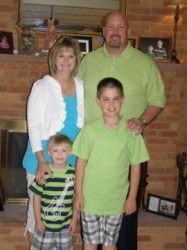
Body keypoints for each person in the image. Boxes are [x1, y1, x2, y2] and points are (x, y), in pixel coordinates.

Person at [78, 11, 165, 250]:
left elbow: (157, 100)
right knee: (91, 208)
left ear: (128, 31)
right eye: (110, 27)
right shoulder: (88, 60)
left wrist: (143, 121)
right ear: (103, 32)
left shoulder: (145, 63)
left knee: (125, 213)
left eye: (120, 27)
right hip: (92, 146)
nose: (115, 31)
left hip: (125, 145)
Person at [73, 77, 150, 250]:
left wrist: (131, 198)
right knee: (90, 244)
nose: (111, 104)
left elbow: (136, 166)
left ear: (122, 100)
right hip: (90, 199)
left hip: (116, 200)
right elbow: (81, 162)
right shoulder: (90, 129)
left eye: (116, 98)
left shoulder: (131, 131)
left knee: (110, 244)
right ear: (98, 101)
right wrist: (78, 194)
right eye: (106, 99)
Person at [22, 35, 84, 246]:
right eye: (61, 55)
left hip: (70, 161)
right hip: (42, 160)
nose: (66, 60)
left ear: (76, 59)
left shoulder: (81, 86)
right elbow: (34, 125)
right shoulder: (42, 86)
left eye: (71, 55)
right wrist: (41, 161)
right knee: (37, 214)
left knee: (63, 211)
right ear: (53, 59)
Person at [29, 134, 78, 249]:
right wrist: (38, 220)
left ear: (70, 152)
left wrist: (74, 219)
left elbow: (76, 197)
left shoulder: (73, 173)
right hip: (45, 225)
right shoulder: (44, 172)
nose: (60, 154)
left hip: (65, 226)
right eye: (55, 150)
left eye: (64, 150)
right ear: (49, 153)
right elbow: (36, 198)